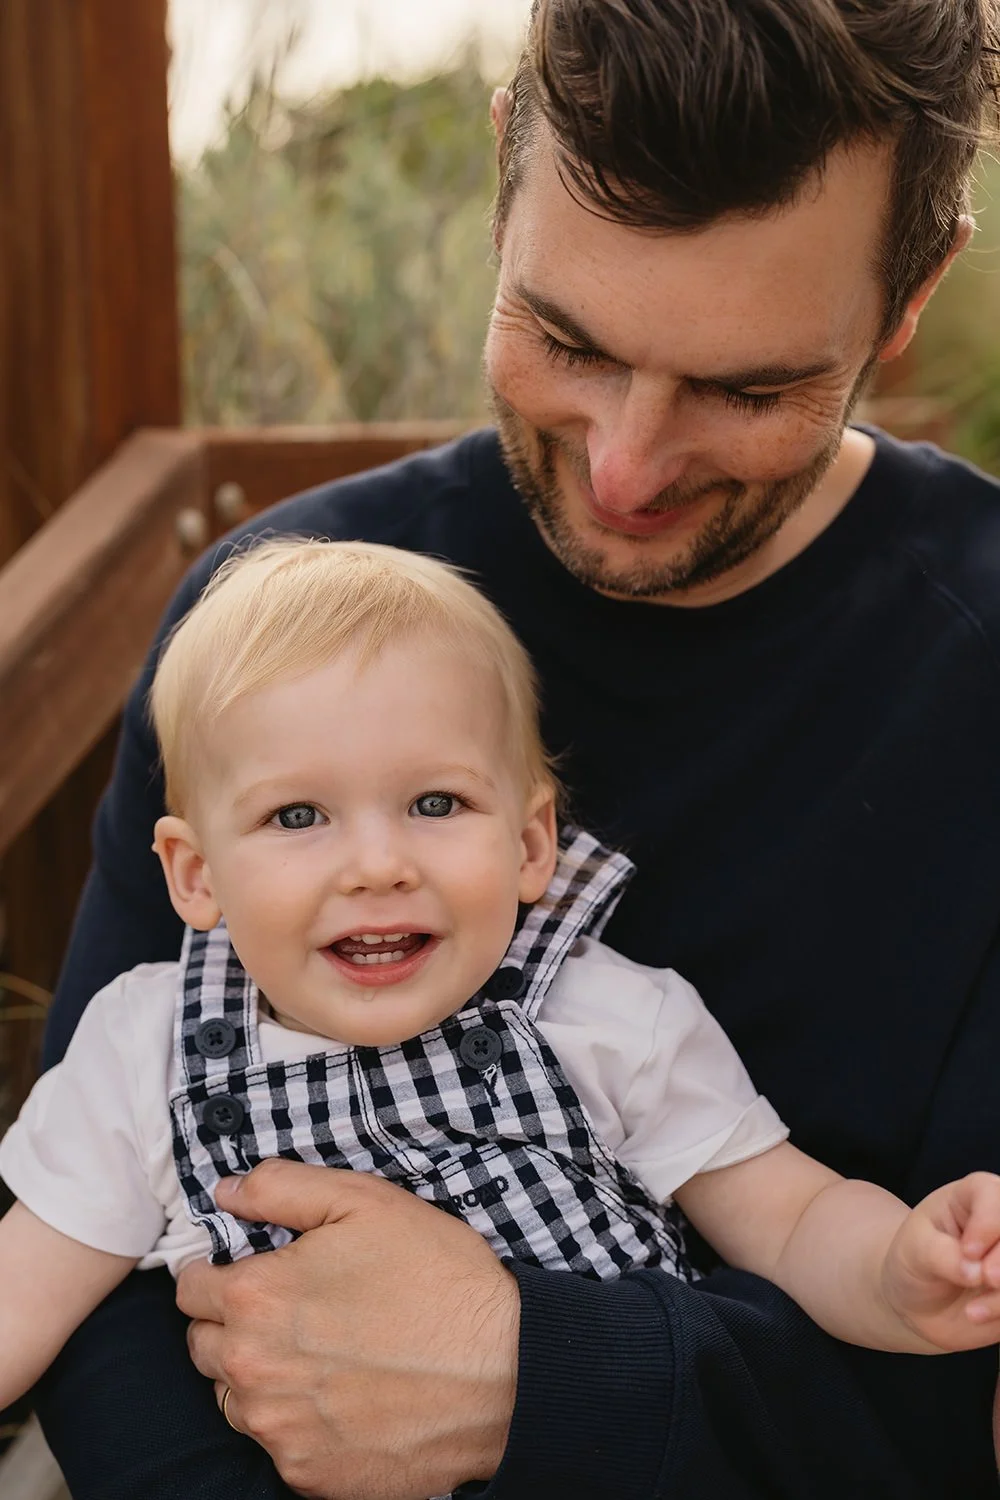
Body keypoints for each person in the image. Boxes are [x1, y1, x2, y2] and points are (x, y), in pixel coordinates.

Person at [30, 1, 1000, 1497]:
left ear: (909, 292)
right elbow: (93, 1289)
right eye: (565, 338)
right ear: (503, 175)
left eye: (748, 390)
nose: (624, 468)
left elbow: (944, 1405)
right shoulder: (274, 626)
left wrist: (543, 1379)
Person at [6, 538, 1000, 1448]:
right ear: (195, 875)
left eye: (434, 803)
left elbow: (787, 1221)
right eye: (297, 814)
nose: (377, 864)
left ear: (530, 845)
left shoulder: (606, 1020)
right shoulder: (147, 1052)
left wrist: (896, 1272)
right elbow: (25, 1291)